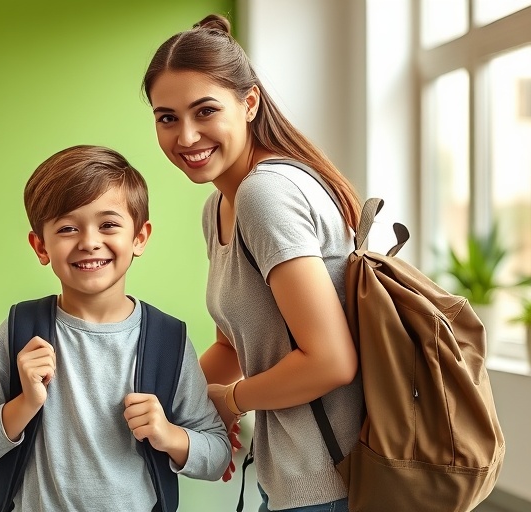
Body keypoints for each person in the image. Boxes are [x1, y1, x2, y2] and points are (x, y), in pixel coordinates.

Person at [141, 14, 364, 512]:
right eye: (167, 117)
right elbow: (233, 343)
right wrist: (172, 406)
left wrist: (232, 400)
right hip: (293, 473)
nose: (187, 136)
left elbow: (331, 360)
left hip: (331, 482)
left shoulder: (267, 195)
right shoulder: (221, 206)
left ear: (249, 103)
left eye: (205, 111)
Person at [0, 144, 230, 511]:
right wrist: (25, 404)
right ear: (40, 246)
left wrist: (170, 435)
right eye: (67, 228)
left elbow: (218, 454)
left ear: (139, 237)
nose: (89, 242)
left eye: (108, 224)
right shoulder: (22, 332)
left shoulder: (167, 340)